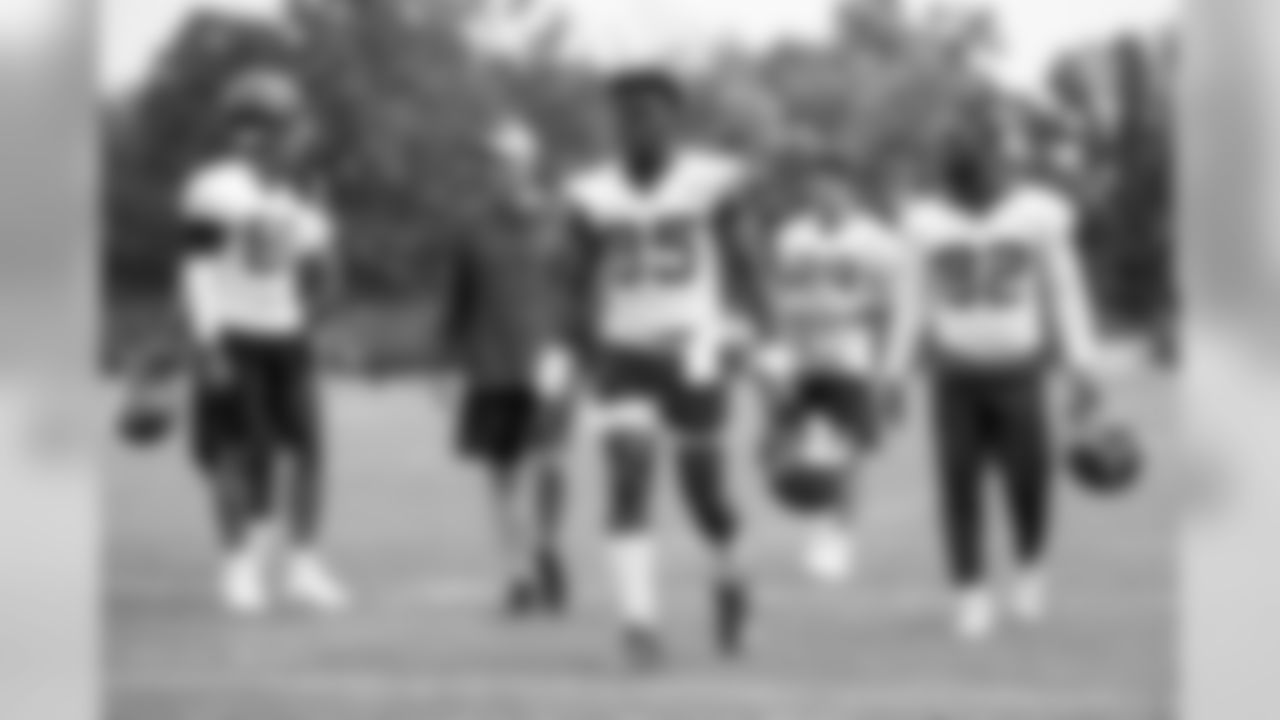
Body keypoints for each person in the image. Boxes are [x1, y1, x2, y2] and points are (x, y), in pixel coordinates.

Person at [547, 67, 764, 668]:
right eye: (625, 113)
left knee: (706, 498)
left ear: (674, 119)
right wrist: (565, 352)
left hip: (695, 349)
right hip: (624, 351)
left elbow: (747, 265)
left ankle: (732, 582)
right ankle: (639, 623)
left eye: (649, 112)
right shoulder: (591, 193)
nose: (637, 124)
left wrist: (747, 332)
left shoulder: (713, 183)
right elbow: (569, 281)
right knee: (629, 475)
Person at [888, 97, 1103, 642]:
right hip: (955, 375)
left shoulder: (1039, 213)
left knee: (1028, 482)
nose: (959, 178)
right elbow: (909, 301)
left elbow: (1066, 291)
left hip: (1019, 371)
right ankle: (970, 593)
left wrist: (1083, 361)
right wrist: (892, 372)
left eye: (969, 163)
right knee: (957, 483)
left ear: (996, 161)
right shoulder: (923, 221)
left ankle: (1030, 569)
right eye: (951, 165)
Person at [176, 67, 347, 616]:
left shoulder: (302, 192)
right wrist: (207, 347)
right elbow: (196, 270)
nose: (302, 134)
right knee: (237, 455)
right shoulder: (215, 189)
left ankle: (302, 565)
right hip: (233, 334)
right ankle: (239, 567)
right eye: (290, 123)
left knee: (311, 450)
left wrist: (321, 304)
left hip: (287, 335)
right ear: (257, 131)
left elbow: (322, 274)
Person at [438, 119, 571, 618]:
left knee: (552, 464)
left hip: (551, 363)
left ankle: (546, 544)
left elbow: (579, 291)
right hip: (492, 367)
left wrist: (581, 347)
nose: (500, 170)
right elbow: (457, 301)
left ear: (529, 162)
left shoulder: (559, 222)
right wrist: (448, 364)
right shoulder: (472, 227)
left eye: (509, 160)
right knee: (503, 477)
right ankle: (517, 575)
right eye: (492, 161)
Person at [758, 163, 912, 584]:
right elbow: (776, 296)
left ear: (849, 189)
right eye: (815, 188)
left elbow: (895, 306)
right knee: (778, 451)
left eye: (830, 187)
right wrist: (773, 353)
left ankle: (837, 540)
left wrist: (889, 367)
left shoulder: (877, 241)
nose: (822, 196)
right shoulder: (792, 236)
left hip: (849, 356)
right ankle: (817, 522)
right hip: (798, 360)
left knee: (846, 455)